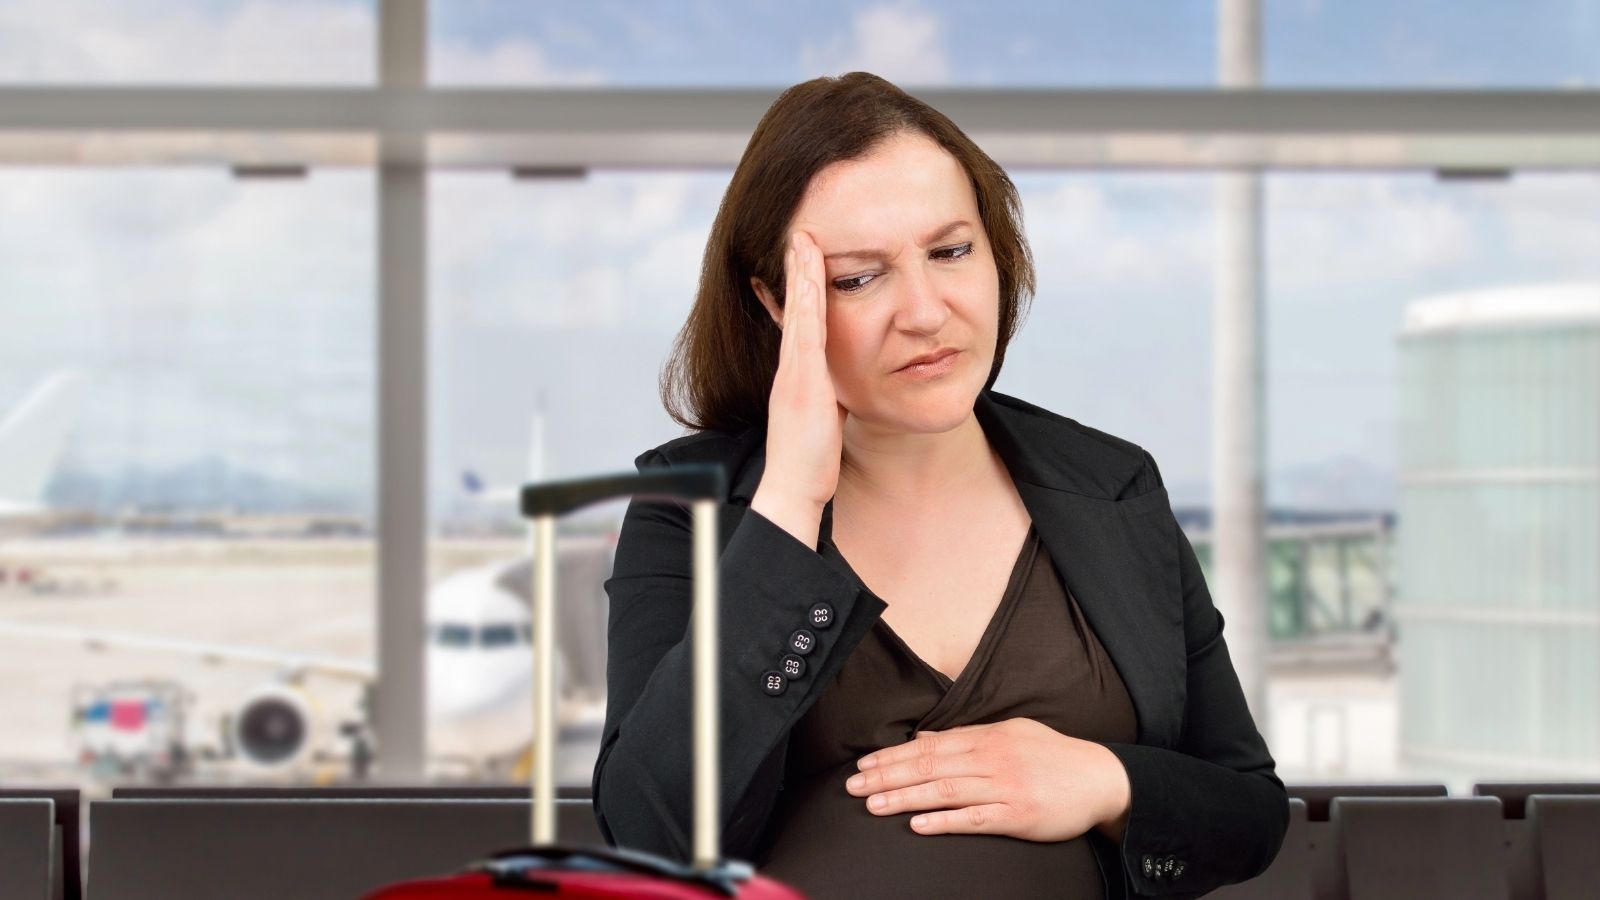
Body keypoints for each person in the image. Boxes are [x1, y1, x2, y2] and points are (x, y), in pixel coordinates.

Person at [591, 71, 1288, 899]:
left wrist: (1106, 783)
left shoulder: (1113, 487)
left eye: (951, 251)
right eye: (857, 277)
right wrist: (788, 506)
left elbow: (1248, 809)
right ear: (777, 302)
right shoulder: (689, 507)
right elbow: (651, 833)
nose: (925, 311)